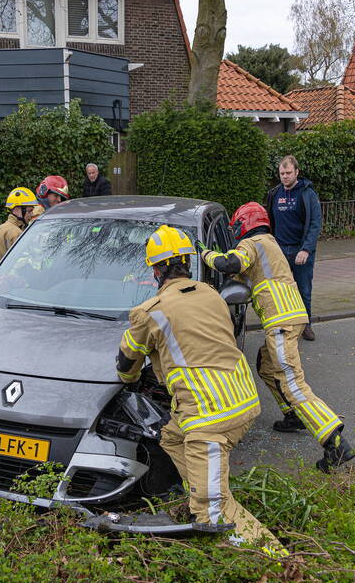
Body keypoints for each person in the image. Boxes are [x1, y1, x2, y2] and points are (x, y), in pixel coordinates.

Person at [116, 225, 289, 564]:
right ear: (187, 263)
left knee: (212, 511)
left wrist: (131, 377)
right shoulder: (211, 294)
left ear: (155, 270)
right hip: (242, 399)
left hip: (208, 417)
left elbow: (126, 363)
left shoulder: (149, 311)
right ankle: (200, 485)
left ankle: (279, 561)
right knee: (170, 436)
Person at [199, 202, 355, 473]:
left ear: (245, 224)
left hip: (281, 322)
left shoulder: (253, 242)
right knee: (267, 367)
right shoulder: (268, 243)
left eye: (237, 226)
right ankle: (293, 415)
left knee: (292, 382)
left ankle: (336, 443)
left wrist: (205, 254)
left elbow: (229, 263)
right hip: (291, 318)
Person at [265, 155, 321, 341]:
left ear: (297, 172)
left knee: (303, 289)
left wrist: (306, 249)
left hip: (301, 251)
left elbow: (315, 223)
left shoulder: (307, 194)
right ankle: (284, 325)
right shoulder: (274, 194)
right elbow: (269, 221)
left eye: (289, 173)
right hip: (279, 250)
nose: (285, 176)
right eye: (282, 173)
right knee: (280, 290)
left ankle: (306, 326)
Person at [0, 187, 39, 268]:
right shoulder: (15, 233)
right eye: (29, 211)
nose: (32, 215)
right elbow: (23, 267)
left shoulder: (0, 228)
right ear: (17, 210)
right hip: (9, 280)